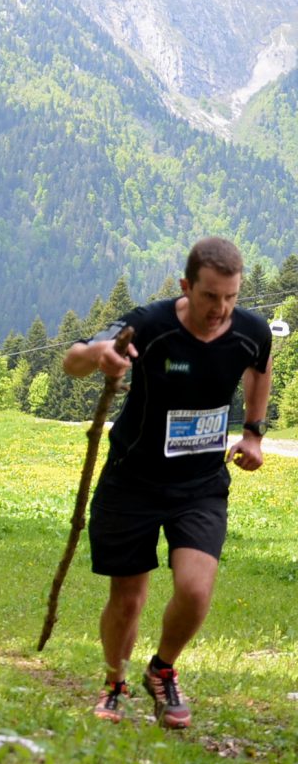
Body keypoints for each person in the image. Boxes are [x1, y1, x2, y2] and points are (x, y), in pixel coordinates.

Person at [63, 237, 272, 729]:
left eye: (231, 297)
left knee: (196, 591)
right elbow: (72, 359)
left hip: (199, 484)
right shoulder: (150, 325)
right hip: (132, 480)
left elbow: (259, 371)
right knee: (128, 598)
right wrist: (98, 355)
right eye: (209, 296)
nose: (220, 309)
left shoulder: (251, 331)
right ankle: (114, 682)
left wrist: (254, 433)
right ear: (186, 286)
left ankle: (162, 669)